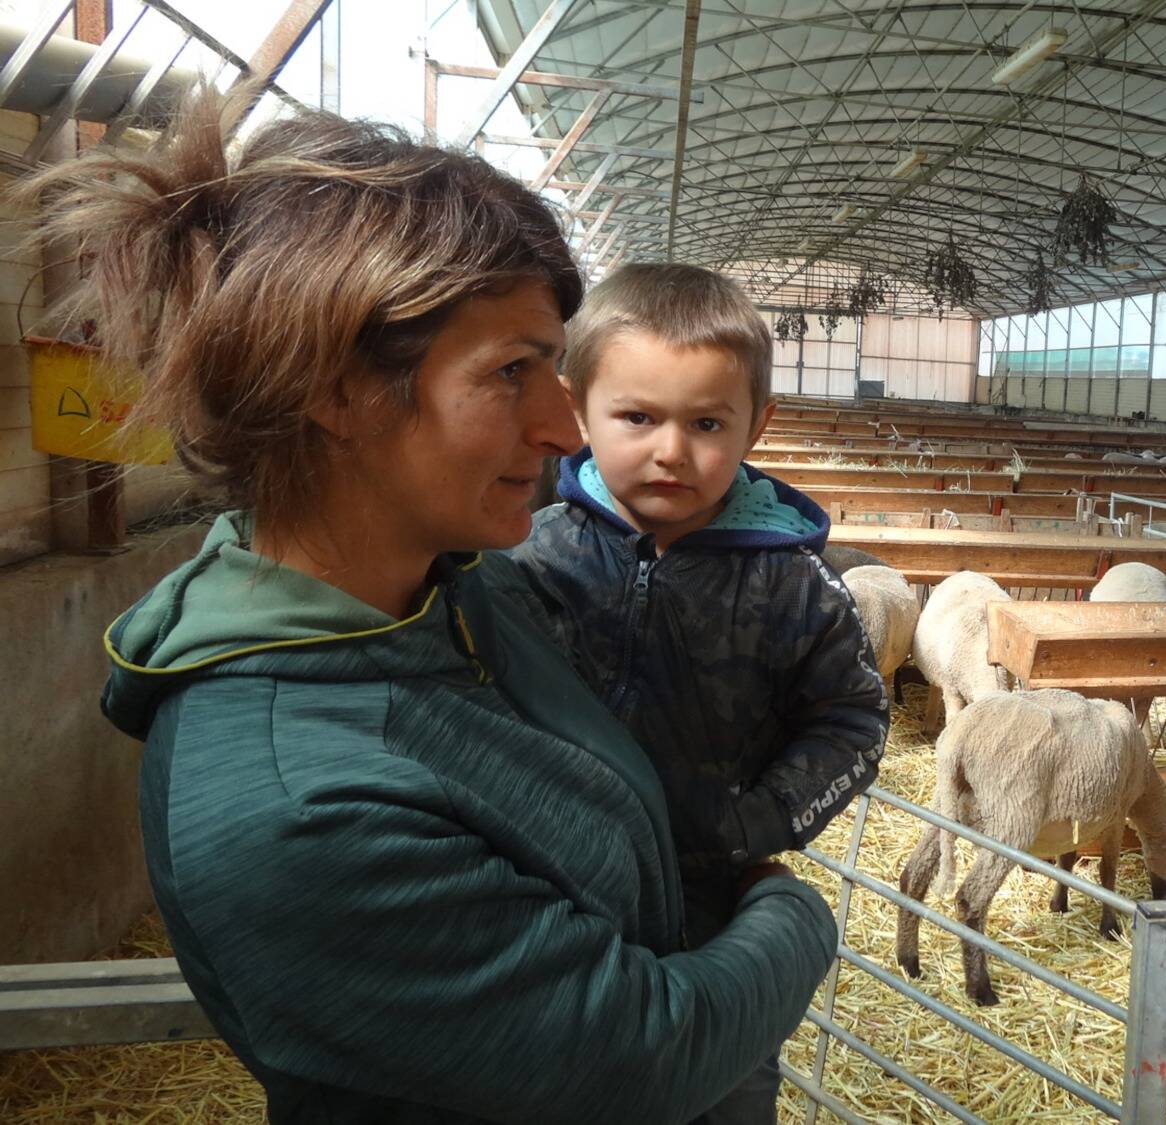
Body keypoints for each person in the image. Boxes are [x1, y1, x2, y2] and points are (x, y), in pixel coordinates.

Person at [33, 91, 835, 1123]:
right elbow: (639, 1055)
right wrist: (794, 911)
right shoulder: (298, 805)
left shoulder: (465, 594)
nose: (563, 425)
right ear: (336, 389)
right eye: (511, 372)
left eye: (555, 365)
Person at [508, 264, 889, 1124]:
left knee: (723, 1089)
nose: (671, 449)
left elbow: (856, 720)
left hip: (713, 904)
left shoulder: (793, 584)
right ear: (577, 411)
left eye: (707, 422)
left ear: (759, 423)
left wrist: (755, 823)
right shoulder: (529, 561)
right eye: (637, 417)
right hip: (555, 897)